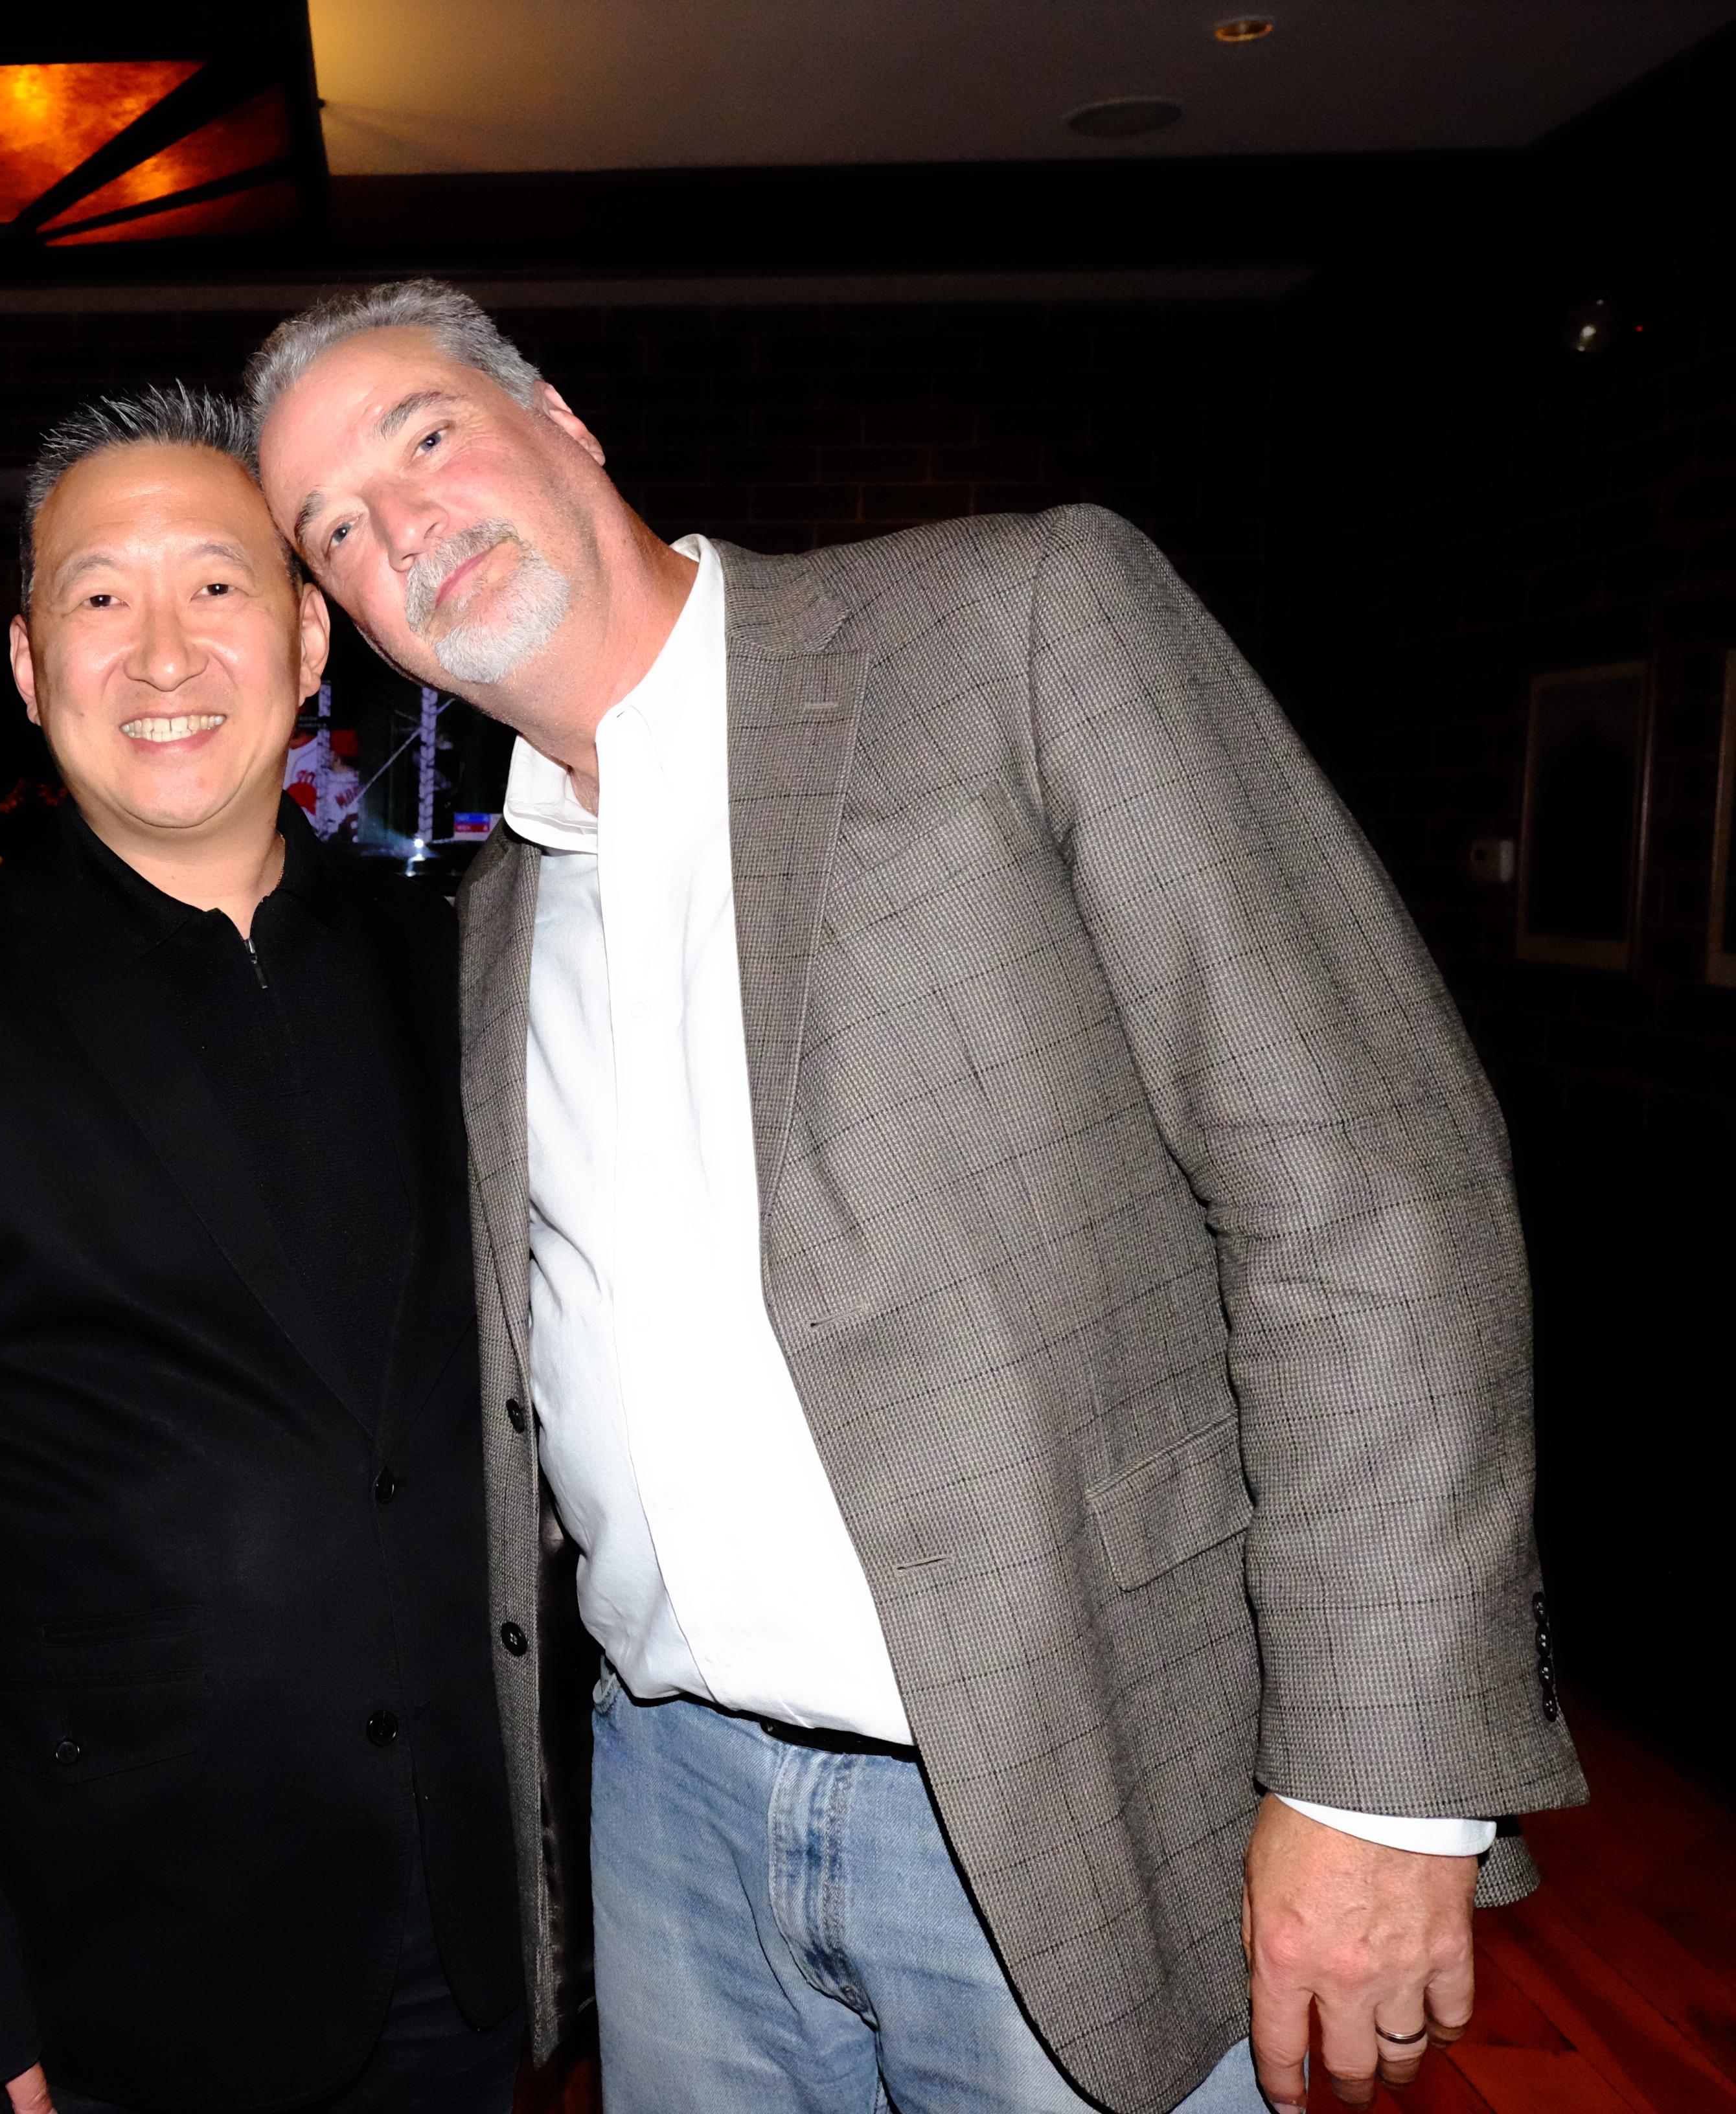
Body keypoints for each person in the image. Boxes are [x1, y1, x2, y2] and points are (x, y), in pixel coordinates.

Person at [247, 281, 1588, 2114]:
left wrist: (1375, 1777)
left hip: (1075, 1801)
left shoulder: (1014, 625)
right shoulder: (493, 919)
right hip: (672, 1814)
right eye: (335, 523)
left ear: (560, 417)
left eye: (421, 437)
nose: (401, 522)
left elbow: (1369, 1196)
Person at [0, 385, 523, 2114]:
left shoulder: (472, 978)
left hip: (475, 1949)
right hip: (117, 1976)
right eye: (101, 599)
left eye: (215, 585)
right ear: (35, 671)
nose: (164, 650)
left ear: (308, 638)